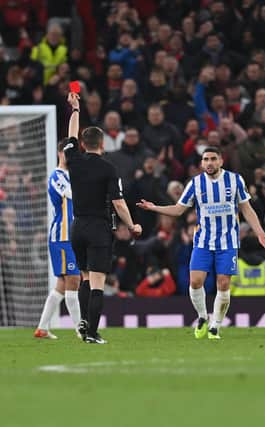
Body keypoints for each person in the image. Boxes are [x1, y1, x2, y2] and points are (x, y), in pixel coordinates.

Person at [137, 147, 265, 340]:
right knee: (195, 281)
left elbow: (246, 208)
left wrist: (260, 233)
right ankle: (202, 316)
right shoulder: (195, 183)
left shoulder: (235, 180)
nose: (209, 163)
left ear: (220, 161)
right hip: (203, 241)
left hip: (228, 242)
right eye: (205, 159)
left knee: (224, 283)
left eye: (213, 159)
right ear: (202, 163)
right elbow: (178, 210)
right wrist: (154, 208)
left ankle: (215, 326)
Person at [63, 92, 142, 344]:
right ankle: (92, 333)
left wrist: (75, 109)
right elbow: (118, 203)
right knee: (97, 282)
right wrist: (132, 225)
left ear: (83, 145)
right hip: (98, 228)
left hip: (77, 226)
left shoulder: (73, 160)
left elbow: (70, 136)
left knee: (85, 277)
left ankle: (84, 321)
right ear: (103, 144)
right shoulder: (109, 168)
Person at [33, 141, 82, 339]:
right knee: (73, 279)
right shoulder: (57, 176)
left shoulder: (73, 175)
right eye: (65, 153)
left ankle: (42, 328)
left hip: (72, 235)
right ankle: (81, 329)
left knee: (62, 284)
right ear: (59, 153)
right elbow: (72, 195)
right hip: (62, 236)